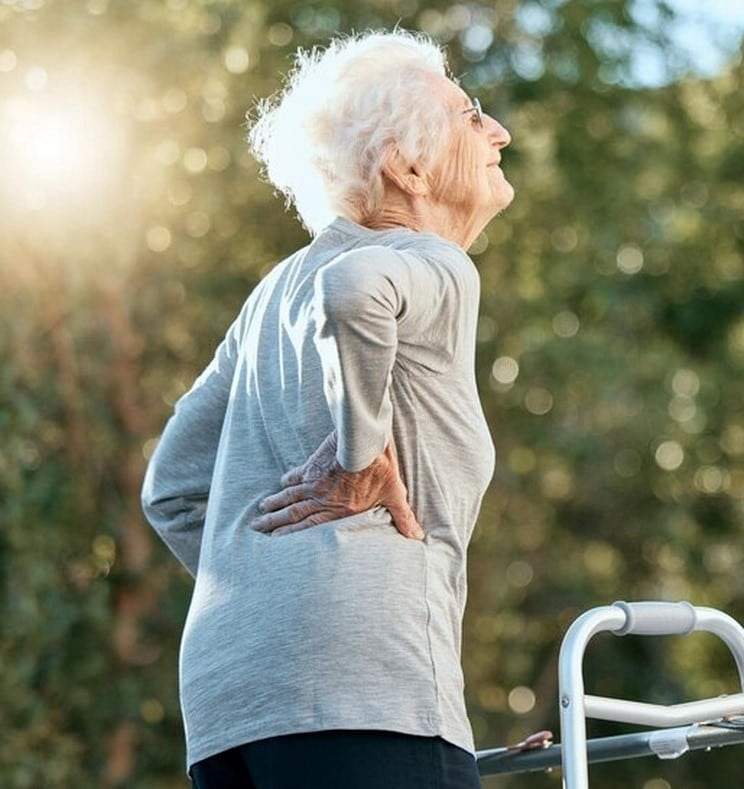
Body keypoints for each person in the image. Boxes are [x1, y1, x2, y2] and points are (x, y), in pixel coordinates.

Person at [141, 28, 513, 789]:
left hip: (231, 706)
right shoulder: (429, 259)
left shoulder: (270, 294)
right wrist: (359, 457)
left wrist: (270, 587)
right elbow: (357, 292)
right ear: (407, 167)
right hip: (362, 688)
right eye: (470, 114)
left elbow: (169, 489)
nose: (497, 130)